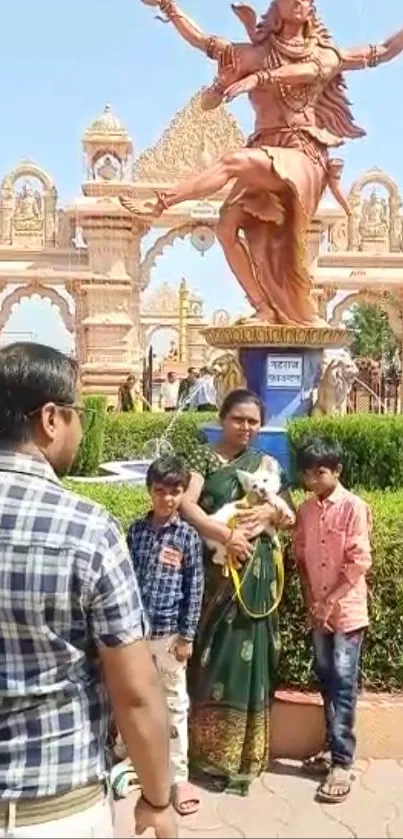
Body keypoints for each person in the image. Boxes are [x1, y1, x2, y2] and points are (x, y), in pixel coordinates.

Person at [121, 0, 403, 325]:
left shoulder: (325, 55)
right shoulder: (252, 55)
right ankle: (264, 307)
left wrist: (259, 79)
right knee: (226, 229)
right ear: (276, 6)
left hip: (303, 156)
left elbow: (380, 51)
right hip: (264, 153)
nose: (299, 2)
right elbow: (206, 66)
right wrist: (171, 10)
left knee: (232, 162)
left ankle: (160, 203)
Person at [0, 342, 176, 839]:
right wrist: (158, 799)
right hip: (55, 808)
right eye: (79, 413)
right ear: (50, 419)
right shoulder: (85, 529)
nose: (81, 427)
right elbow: (136, 692)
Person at [180, 388, 294, 794]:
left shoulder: (266, 464)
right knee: (214, 656)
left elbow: (285, 512)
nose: (245, 428)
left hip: (258, 573)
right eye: (237, 419)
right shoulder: (200, 458)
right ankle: (208, 754)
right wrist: (223, 534)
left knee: (254, 657)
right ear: (222, 418)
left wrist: (268, 512)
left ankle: (248, 755)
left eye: (253, 421)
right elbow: (186, 505)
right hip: (218, 573)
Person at [293, 437, 372, 805]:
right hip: (319, 613)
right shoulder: (306, 510)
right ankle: (330, 748)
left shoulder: (354, 507)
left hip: (346, 613)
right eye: (307, 473)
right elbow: (301, 557)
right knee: (326, 680)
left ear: (337, 471)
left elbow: (358, 563)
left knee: (342, 683)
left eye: (320, 472)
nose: (313, 479)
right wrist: (313, 601)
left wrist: (329, 602)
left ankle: (343, 762)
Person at [127, 455, 204, 816]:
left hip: (170, 638)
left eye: (175, 492)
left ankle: (178, 777)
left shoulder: (188, 536)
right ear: (149, 491)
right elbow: (124, 585)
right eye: (160, 491)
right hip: (136, 639)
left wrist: (187, 636)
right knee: (135, 700)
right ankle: (135, 765)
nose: (167, 499)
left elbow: (195, 590)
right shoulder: (135, 532)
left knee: (174, 705)